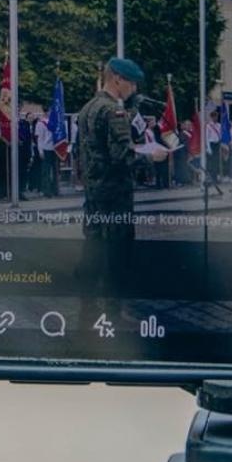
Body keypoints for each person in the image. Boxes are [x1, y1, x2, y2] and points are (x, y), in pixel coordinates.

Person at [75, 58, 167, 296]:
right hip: (115, 194)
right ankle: (113, 309)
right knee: (117, 254)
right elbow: (123, 156)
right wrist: (152, 156)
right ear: (117, 79)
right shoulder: (113, 111)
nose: (134, 89)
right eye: (132, 83)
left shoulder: (88, 108)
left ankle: (87, 303)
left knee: (93, 247)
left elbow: (90, 151)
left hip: (94, 192)